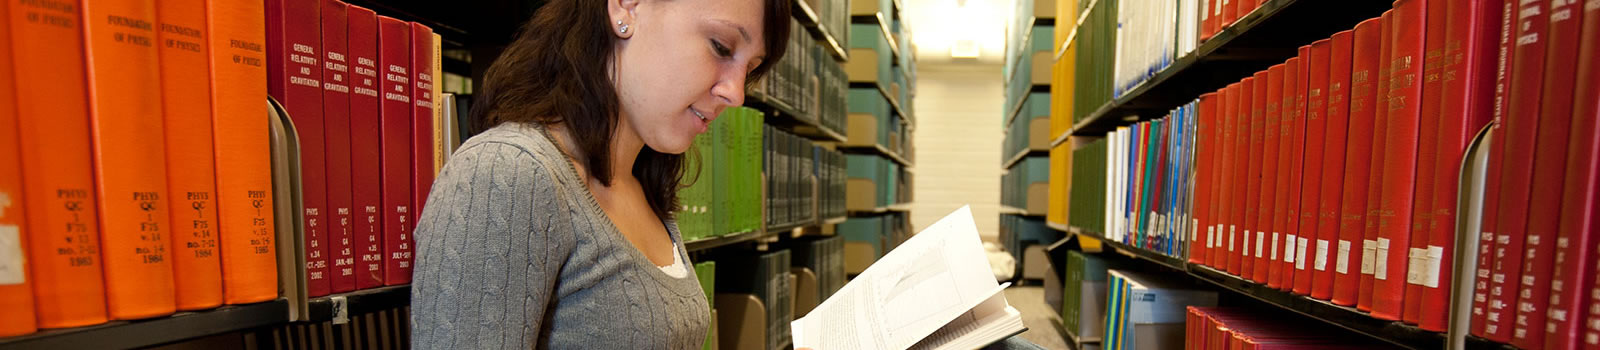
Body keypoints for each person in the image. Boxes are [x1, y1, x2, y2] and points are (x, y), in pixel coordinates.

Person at [407, 0, 788, 347]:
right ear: (626, 8)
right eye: (721, 47)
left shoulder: (641, 185)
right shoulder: (504, 174)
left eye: (751, 69)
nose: (736, 93)